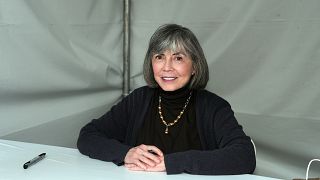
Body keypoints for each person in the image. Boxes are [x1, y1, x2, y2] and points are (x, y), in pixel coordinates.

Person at [77, 24, 256, 175]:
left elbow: (245, 155)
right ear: (151, 63)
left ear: (194, 66)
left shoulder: (213, 107)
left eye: (178, 58)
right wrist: (126, 153)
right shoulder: (138, 99)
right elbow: (87, 136)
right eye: (160, 57)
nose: (167, 67)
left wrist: (171, 163)